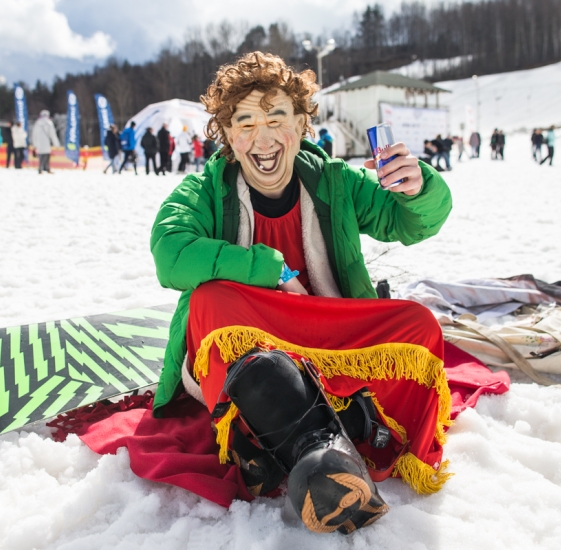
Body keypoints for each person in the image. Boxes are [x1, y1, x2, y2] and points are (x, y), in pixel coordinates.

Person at [150, 52, 452, 534]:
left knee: (418, 324)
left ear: (301, 124)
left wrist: (419, 190)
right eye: (244, 121)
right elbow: (170, 253)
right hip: (257, 333)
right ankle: (324, 445)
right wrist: (264, 267)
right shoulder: (205, 189)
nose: (263, 138)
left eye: (276, 118)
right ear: (227, 134)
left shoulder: (336, 181)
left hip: (327, 329)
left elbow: (408, 223)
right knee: (209, 304)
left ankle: (297, 442)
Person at [31, 110, 59, 174]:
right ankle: (47, 168)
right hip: (47, 142)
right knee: (47, 155)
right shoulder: (49, 123)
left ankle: (40, 168)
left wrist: (35, 144)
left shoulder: (37, 123)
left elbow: (34, 134)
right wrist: (56, 144)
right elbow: (53, 135)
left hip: (39, 142)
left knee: (41, 156)